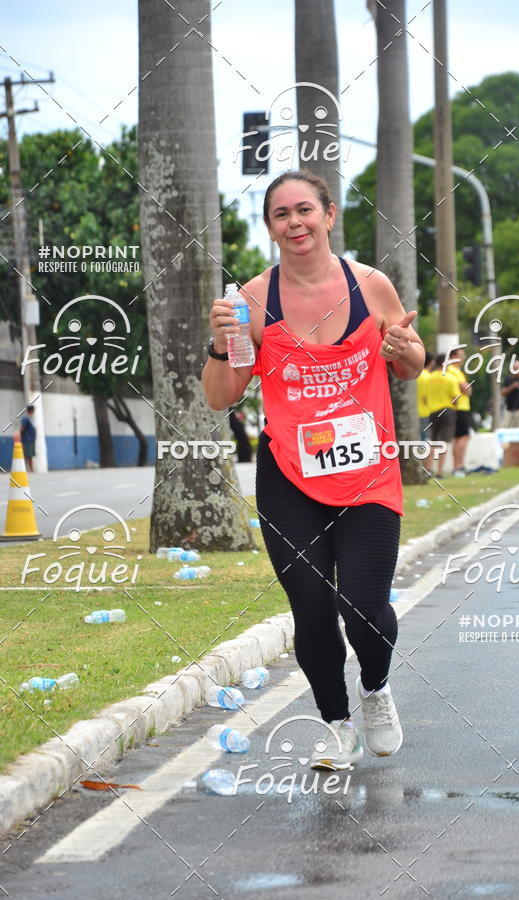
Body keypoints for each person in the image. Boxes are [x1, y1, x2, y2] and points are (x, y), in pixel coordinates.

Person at [202, 170, 424, 769]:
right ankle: (337, 725)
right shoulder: (250, 302)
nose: (294, 222)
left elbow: (411, 361)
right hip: (289, 478)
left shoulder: (371, 286)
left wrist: (405, 351)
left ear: (329, 215)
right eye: (281, 214)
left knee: (363, 604)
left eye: (305, 210)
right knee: (312, 610)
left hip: (367, 475)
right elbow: (223, 396)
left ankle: (374, 690)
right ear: (270, 227)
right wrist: (223, 345)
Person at [425, 354, 460, 477]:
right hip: (447, 410)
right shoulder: (451, 378)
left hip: (432, 411)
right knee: (444, 441)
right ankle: (440, 471)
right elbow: (455, 397)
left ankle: (428, 469)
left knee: (433, 440)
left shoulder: (429, 378)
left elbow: (425, 397)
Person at [448, 347, 472, 476]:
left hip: (459, 408)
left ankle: (457, 466)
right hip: (460, 407)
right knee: (463, 437)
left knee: (458, 438)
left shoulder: (454, 371)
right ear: (453, 357)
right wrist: (468, 388)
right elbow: (466, 389)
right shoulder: (453, 371)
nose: (463, 358)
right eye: (461, 355)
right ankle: (459, 465)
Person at [417, 351, 434, 440]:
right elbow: (426, 397)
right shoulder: (429, 377)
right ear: (431, 362)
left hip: (413, 411)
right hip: (425, 411)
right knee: (424, 437)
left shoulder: (415, 375)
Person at [20, 404, 36, 473]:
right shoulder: (26, 419)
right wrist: (22, 437)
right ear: (31, 410)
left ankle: (31, 469)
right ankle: (26, 470)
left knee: (30, 455)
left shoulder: (31, 418)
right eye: (34, 410)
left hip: (31, 440)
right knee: (27, 455)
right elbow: (22, 428)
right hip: (27, 440)